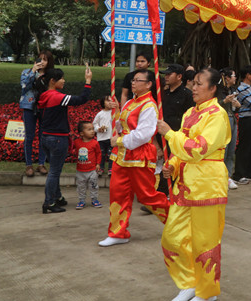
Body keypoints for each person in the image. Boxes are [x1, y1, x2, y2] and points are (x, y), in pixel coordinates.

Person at [158, 67, 231, 301]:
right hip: (186, 184)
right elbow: (183, 149)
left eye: (200, 84)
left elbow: (198, 148)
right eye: (194, 83)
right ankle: (190, 282)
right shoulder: (190, 112)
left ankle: (207, 292)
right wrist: (172, 165)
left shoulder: (217, 115)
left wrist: (169, 135)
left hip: (207, 185)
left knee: (205, 241)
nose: (195, 87)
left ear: (213, 88)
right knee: (172, 238)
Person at [99, 68, 169, 246]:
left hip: (139, 156)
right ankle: (117, 233)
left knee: (147, 195)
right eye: (133, 80)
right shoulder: (131, 102)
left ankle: (178, 223)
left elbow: (144, 135)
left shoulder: (149, 106)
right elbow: (123, 125)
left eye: (138, 80)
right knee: (118, 194)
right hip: (122, 156)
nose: (133, 83)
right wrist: (117, 115)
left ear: (148, 84)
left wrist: (119, 140)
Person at [37, 66, 92, 213]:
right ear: (53, 81)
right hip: (58, 139)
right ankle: (49, 202)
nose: (64, 80)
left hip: (46, 138)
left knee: (54, 170)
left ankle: (58, 197)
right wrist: (88, 81)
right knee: (54, 172)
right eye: (61, 78)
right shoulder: (57, 97)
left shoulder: (43, 96)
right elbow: (82, 99)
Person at [159, 64, 194, 194]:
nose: (166, 77)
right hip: (162, 135)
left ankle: (163, 194)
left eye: (169, 74)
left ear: (179, 77)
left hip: (178, 137)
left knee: (172, 165)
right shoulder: (163, 94)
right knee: (164, 166)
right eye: (166, 74)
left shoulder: (187, 95)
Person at [19, 49, 54, 176]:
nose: (42, 62)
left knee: (43, 136)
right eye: (41, 59)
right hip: (29, 106)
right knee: (29, 136)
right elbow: (24, 86)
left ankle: (41, 164)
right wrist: (33, 71)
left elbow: (54, 91)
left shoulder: (50, 76)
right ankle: (29, 165)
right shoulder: (27, 72)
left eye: (45, 59)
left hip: (44, 107)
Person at [217, 68, 241, 189]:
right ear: (226, 77)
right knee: (223, 151)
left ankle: (228, 176)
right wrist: (225, 100)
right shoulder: (218, 89)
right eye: (233, 76)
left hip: (232, 120)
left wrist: (236, 105)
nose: (235, 78)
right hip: (223, 121)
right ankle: (220, 177)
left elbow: (235, 107)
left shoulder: (232, 90)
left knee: (231, 150)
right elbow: (214, 105)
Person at [73, 121, 102, 209]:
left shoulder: (95, 143)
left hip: (92, 170)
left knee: (93, 185)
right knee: (81, 186)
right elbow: (73, 151)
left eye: (93, 129)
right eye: (89, 129)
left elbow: (99, 153)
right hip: (80, 170)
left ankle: (94, 200)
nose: (92, 131)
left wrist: (98, 164)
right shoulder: (77, 142)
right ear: (82, 133)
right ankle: (81, 201)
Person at [93, 96, 116, 174]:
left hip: (111, 137)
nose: (110, 102)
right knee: (101, 154)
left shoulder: (114, 112)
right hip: (101, 138)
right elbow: (94, 124)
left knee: (111, 154)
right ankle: (101, 168)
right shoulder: (100, 114)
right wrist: (98, 129)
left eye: (111, 101)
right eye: (107, 101)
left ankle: (111, 169)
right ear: (103, 103)